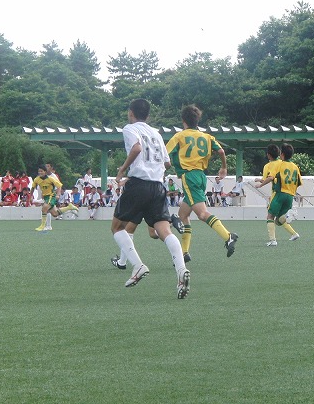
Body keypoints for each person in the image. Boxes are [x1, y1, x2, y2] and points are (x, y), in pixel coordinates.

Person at [110, 98, 190, 299]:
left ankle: (138, 266)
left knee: (117, 227)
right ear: (148, 115)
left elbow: (137, 148)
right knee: (164, 231)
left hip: (139, 185)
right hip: (157, 187)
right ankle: (181, 270)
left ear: (131, 112)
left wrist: (122, 169)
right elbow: (167, 163)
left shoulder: (130, 128)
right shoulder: (156, 133)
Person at [165, 104, 238, 262]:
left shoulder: (179, 136)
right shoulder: (207, 137)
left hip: (189, 176)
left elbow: (165, 155)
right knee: (183, 215)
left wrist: (162, 168)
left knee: (202, 214)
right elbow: (221, 151)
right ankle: (185, 252)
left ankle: (228, 236)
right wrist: (224, 167)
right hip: (201, 176)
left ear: (183, 120)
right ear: (197, 120)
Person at [254, 143, 303, 246]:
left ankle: (273, 240)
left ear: (282, 154)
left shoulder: (278, 164)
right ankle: (288, 217)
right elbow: (299, 182)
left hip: (279, 193)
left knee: (270, 216)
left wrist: (260, 184)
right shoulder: (295, 167)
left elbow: (270, 177)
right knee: (278, 220)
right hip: (290, 195)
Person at [30, 165, 79, 231]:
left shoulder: (51, 179)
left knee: (44, 208)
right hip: (45, 197)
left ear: (45, 172)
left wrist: (58, 195)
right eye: (39, 171)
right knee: (55, 214)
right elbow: (33, 188)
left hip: (51, 196)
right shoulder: (37, 179)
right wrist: (30, 196)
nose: (40, 172)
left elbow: (59, 186)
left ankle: (42, 226)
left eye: (41, 171)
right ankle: (69, 207)